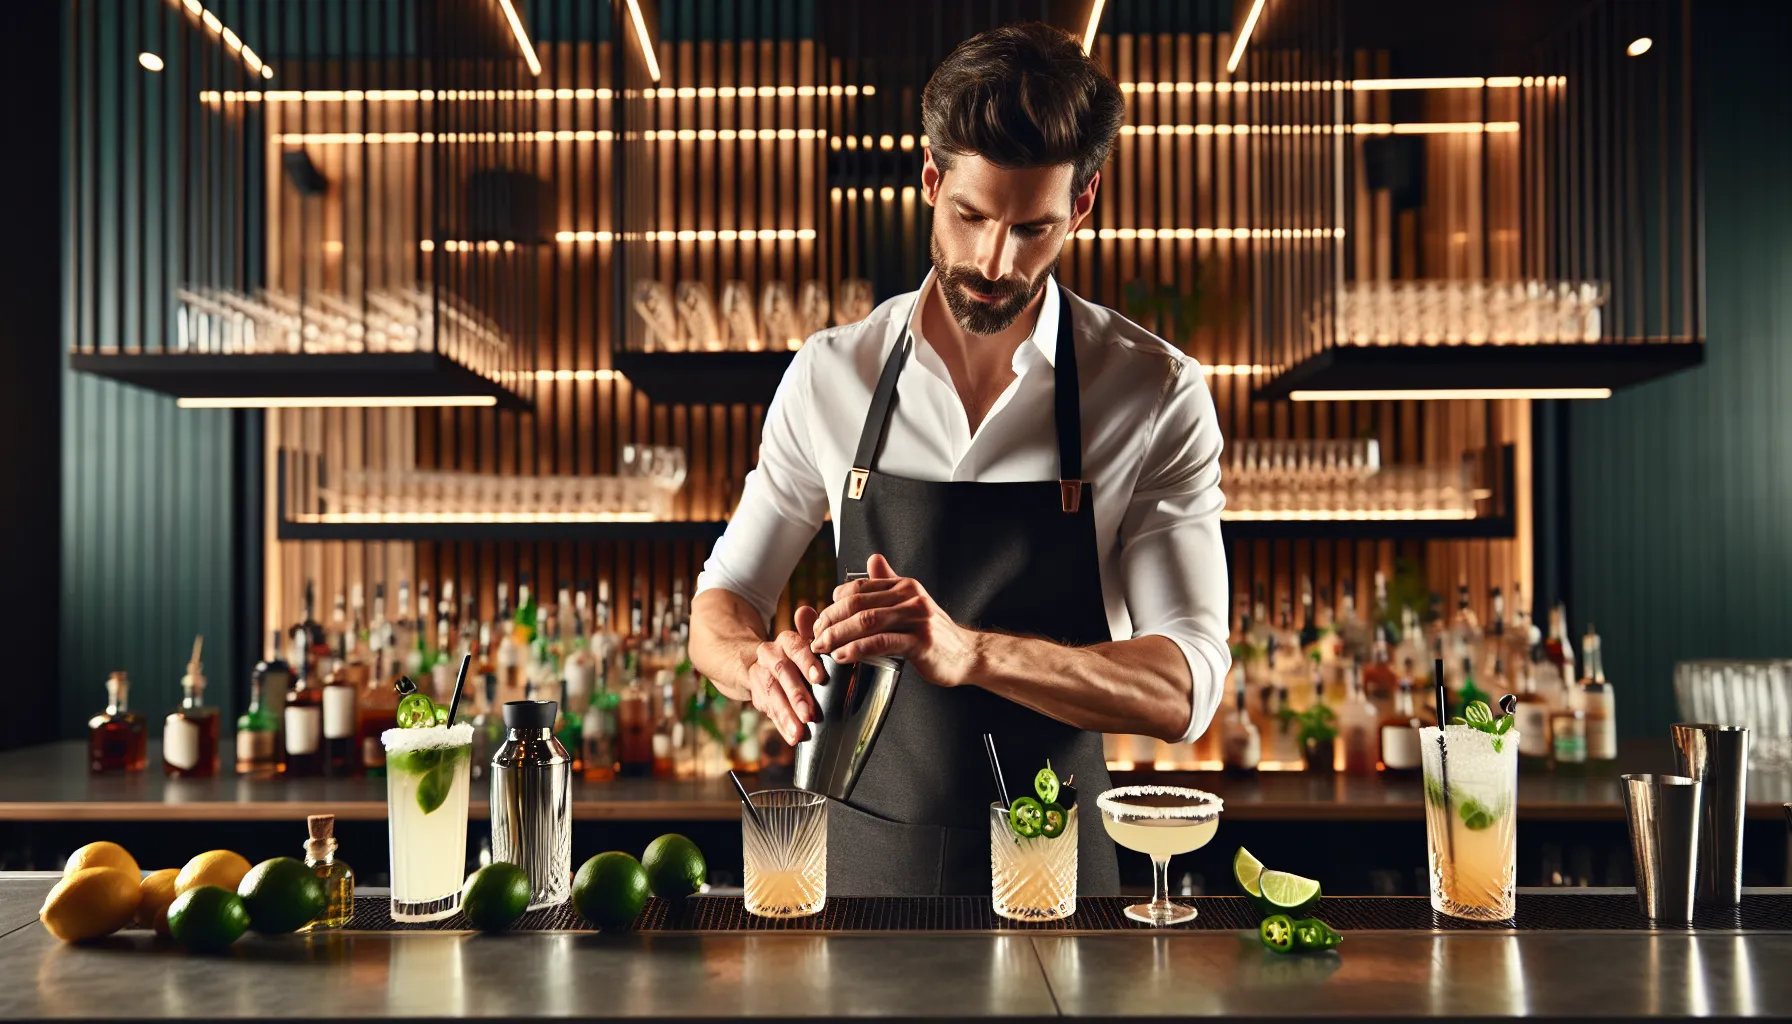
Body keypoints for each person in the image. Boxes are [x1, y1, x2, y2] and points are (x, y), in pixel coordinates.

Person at [689, 21, 1229, 895]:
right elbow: (720, 606)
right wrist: (755, 665)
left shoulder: (1152, 392)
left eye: (1032, 230)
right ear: (931, 180)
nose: (992, 261)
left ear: (1081, 206)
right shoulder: (833, 374)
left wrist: (969, 651)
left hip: (1055, 870)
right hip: (850, 857)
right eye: (971, 217)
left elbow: (1183, 685)